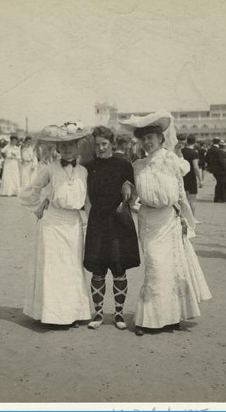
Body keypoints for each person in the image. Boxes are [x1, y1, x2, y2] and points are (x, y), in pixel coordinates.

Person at [119, 111, 211, 336]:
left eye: (151, 137)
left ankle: (169, 317)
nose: (147, 142)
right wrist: (128, 189)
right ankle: (149, 319)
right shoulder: (138, 165)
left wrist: (183, 219)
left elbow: (179, 191)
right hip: (148, 220)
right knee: (154, 267)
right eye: (143, 138)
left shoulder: (171, 160)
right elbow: (134, 192)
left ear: (161, 139)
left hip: (168, 219)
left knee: (169, 269)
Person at [19, 124, 91, 327]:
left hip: (73, 224)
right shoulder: (49, 169)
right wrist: (40, 205)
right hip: (52, 223)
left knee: (72, 267)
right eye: (63, 145)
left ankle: (73, 313)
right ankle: (52, 315)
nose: (67, 148)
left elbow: (87, 201)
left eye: (71, 144)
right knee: (53, 268)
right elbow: (30, 190)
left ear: (77, 146)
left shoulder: (84, 171)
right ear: (58, 148)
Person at [84, 126, 140, 330]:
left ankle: (119, 314)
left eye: (104, 144)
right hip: (97, 223)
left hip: (118, 223)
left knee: (118, 269)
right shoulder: (87, 167)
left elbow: (135, 191)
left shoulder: (124, 165)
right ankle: (98, 314)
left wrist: (129, 185)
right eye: (97, 145)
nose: (100, 148)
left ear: (111, 144)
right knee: (97, 270)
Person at [180, 135, 203, 216]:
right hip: (191, 176)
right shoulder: (194, 153)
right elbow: (196, 167)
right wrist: (200, 180)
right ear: (195, 142)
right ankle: (192, 217)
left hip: (182, 176)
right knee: (192, 199)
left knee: (183, 198)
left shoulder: (181, 151)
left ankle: (183, 216)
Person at [206, 137, 226, 203]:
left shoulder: (209, 150)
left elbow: (207, 159)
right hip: (220, 169)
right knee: (222, 183)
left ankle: (217, 198)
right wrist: (225, 168)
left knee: (219, 183)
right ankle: (222, 198)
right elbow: (221, 161)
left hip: (214, 169)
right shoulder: (219, 150)